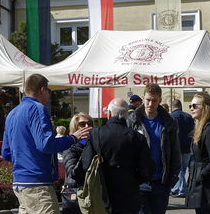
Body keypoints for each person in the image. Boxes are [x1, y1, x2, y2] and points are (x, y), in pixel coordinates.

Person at [2, 73, 91, 214]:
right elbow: (46, 144)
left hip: (20, 183)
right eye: (49, 91)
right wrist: (74, 138)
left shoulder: (12, 114)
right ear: (43, 90)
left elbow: (6, 153)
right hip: (38, 183)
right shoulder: (37, 109)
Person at [78, 98, 153, 214]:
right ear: (126, 115)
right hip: (129, 195)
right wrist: (134, 179)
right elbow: (147, 169)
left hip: (101, 194)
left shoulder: (95, 134)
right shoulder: (137, 137)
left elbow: (85, 165)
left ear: (109, 113)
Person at [126, 83, 183, 214]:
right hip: (139, 182)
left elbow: (175, 152)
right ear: (143, 98)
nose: (150, 104)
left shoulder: (168, 122)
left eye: (154, 100)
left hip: (161, 183)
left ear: (160, 100)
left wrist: (171, 180)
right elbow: (127, 152)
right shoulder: (133, 121)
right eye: (148, 100)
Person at [61, 113, 93, 214]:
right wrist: (87, 152)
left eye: (89, 123)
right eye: (83, 124)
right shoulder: (70, 147)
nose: (87, 126)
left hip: (93, 195)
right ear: (75, 127)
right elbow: (73, 172)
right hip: (76, 195)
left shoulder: (95, 145)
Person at [171, 98, 196, 197]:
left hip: (176, 146)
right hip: (188, 145)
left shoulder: (171, 117)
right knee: (183, 168)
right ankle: (177, 187)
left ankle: (182, 189)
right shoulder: (189, 116)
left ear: (172, 107)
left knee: (179, 169)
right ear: (181, 106)